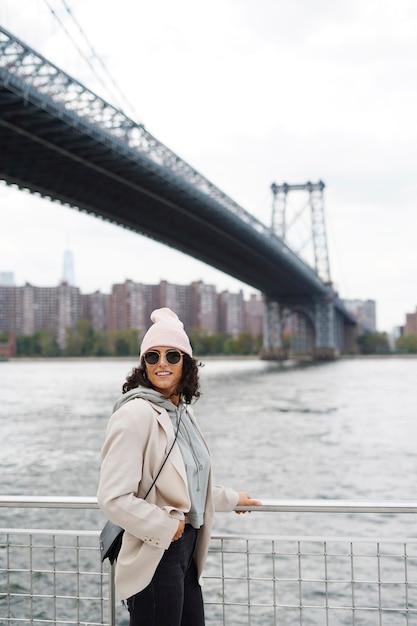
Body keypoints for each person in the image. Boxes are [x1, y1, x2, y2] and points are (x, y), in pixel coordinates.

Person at [97, 307, 260, 626]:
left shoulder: (182, 414)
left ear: (186, 362)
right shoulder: (135, 415)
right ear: (142, 364)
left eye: (172, 355)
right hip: (156, 551)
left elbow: (188, 482)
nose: (162, 364)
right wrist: (164, 526)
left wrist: (231, 499)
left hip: (188, 551)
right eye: (152, 356)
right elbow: (112, 498)